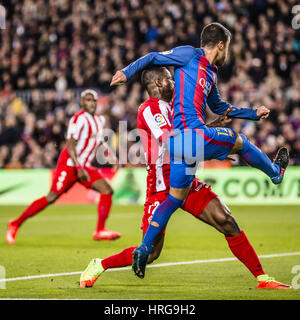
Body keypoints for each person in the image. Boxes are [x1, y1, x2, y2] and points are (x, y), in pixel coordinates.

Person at [80, 68, 291, 289]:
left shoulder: (173, 109)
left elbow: (188, 139)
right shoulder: (149, 109)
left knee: (226, 221)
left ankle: (262, 278)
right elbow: (172, 140)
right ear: (160, 83)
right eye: (171, 79)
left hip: (186, 178)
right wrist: (211, 146)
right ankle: (100, 264)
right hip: (161, 185)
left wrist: (211, 130)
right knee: (151, 253)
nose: (175, 83)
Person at [110, 22, 290, 279]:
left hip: (181, 145)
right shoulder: (189, 54)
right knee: (240, 142)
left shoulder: (212, 74)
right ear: (221, 44)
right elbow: (152, 57)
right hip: (191, 136)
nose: (228, 51)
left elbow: (219, 106)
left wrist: (252, 113)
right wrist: (127, 72)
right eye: (227, 46)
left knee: (174, 198)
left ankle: (144, 248)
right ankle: (275, 173)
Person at [6, 89, 121, 244]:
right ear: (82, 102)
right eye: (88, 100)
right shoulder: (78, 119)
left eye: (94, 100)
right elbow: (70, 145)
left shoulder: (99, 120)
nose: (91, 103)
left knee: (107, 189)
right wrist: (78, 167)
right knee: (52, 197)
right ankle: (15, 223)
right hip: (69, 165)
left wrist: (111, 157)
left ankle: (100, 230)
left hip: (85, 166)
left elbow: (99, 141)